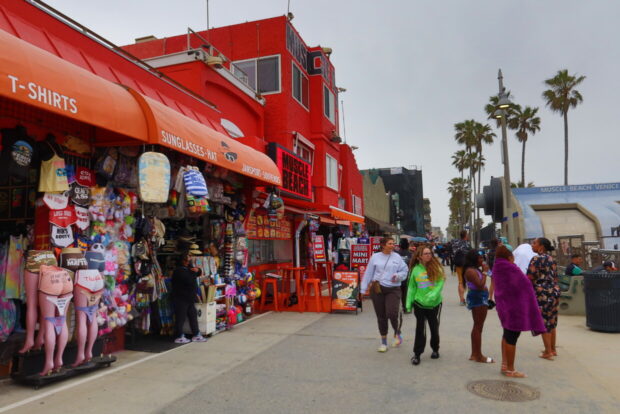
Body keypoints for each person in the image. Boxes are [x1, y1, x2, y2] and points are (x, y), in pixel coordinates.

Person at [492, 245, 546, 378]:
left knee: (506, 334)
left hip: (504, 306)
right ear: (509, 257)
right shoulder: (510, 268)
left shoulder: (497, 267)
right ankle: (510, 369)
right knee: (512, 337)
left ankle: (504, 365)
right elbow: (525, 283)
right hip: (514, 308)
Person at [361, 237, 409, 352]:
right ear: (383, 245)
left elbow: (405, 270)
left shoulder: (397, 257)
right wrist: (362, 290)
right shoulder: (375, 257)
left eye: (393, 243)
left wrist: (398, 276)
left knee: (392, 313)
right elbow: (368, 273)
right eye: (390, 243)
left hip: (393, 289)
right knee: (381, 316)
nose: (393, 245)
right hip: (377, 288)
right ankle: (383, 342)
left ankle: (397, 332)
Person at [405, 246, 445, 365]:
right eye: (426, 253)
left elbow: (440, 283)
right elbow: (412, 287)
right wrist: (408, 302)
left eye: (430, 253)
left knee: (434, 328)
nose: (429, 255)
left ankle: (435, 349)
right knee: (420, 329)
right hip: (419, 304)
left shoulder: (436, 267)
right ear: (419, 257)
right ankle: (417, 354)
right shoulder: (415, 270)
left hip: (434, 304)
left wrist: (433, 294)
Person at [527, 237, 559, 360]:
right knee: (551, 320)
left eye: (534, 243)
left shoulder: (536, 259)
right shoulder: (552, 259)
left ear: (541, 247)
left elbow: (530, 277)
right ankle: (553, 349)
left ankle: (548, 352)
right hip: (554, 292)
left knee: (543, 321)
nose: (532, 244)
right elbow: (555, 277)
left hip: (542, 293)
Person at [463, 249, 494, 363]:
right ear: (474, 259)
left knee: (478, 326)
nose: (482, 260)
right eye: (480, 258)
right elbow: (480, 286)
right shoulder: (471, 271)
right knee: (478, 326)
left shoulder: (475, 269)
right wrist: (485, 272)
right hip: (478, 298)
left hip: (480, 297)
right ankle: (478, 355)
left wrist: (485, 271)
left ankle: (474, 353)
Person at [171, 252, 208, 344]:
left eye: (189, 260)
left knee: (193, 316)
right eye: (187, 260)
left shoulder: (187, 269)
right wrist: (194, 272)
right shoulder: (179, 271)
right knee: (181, 318)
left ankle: (196, 334)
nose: (188, 262)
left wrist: (197, 270)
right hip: (181, 298)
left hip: (189, 298)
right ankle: (179, 336)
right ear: (182, 261)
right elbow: (189, 279)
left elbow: (198, 273)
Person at [452, 230, 471, 306]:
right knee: (469, 281)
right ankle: (469, 299)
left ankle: (461, 300)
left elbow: (453, 253)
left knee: (460, 281)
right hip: (467, 265)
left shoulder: (455, 243)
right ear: (465, 235)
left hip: (458, 264)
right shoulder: (467, 244)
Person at [398, 238, 412, 314]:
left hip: (397, 277)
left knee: (396, 293)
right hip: (407, 276)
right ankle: (406, 308)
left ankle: (395, 308)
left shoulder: (396, 253)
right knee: (405, 293)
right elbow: (412, 265)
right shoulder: (410, 254)